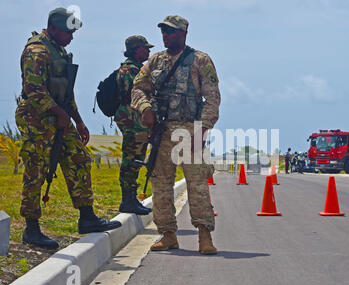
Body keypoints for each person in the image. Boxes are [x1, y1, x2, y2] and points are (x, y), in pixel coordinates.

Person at [15, 8, 121, 250]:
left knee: (79, 158)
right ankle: (31, 229)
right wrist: (60, 115)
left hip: (58, 116)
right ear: (53, 28)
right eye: (67, 32)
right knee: (36, 170)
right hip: (36, 117)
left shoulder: (58, 50)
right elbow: (34, 91)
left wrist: (78, 120)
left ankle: (87, 217)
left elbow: (65, 91)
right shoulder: (37, 51)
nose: (71, 37)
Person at [131, 15, 221, 254]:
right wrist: (145, 107)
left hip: (191, 130)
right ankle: (168, 234)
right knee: (160, 183)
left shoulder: (200, 60)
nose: (165, 36)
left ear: (183, 34)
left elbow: (212, 98)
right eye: (163, 32)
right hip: (162, 131)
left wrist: (202, 130)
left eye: (170, 32)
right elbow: (138, 87)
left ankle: (204, 235)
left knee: (197, 184)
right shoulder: (155, 61)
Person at [114, 36, 154, 215]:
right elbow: (136, 94)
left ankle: (131, 198)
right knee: (131, 158)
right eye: (145, 48)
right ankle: (127, 200)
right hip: (131, 120)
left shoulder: (137, 69)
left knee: (136, 158)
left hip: (136, 120)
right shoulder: (130, 70)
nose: (148, 51)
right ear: (135, 50)